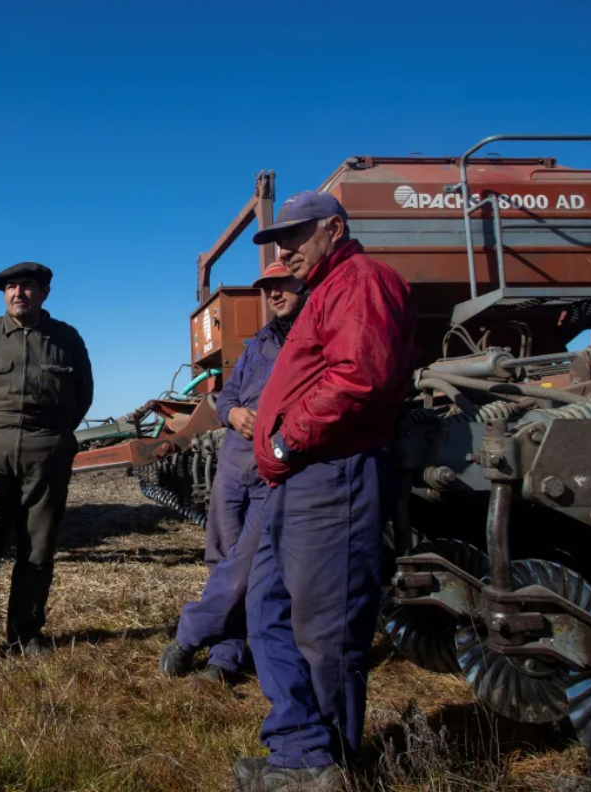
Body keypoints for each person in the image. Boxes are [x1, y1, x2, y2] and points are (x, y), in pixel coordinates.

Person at [233, 192, 416, 792]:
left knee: (325, 627)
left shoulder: (362, 280)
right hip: (300, 477)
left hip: (331, 470)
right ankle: (300, 747)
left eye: (295, 237)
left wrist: (285, 441)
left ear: (334, 229)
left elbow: (358, 376)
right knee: (266, 608)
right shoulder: (328, 290)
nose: (282, 251)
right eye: (277, 241)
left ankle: (325, 764)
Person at [158, 264, 307, 684]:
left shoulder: (311, 340)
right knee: (221, 559)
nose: (275, 294)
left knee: (245, 566)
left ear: (303, 284)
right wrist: (234, 411)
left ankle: (189, 637)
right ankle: (225, 656)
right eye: (268, 288)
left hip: (274, 468)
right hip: (233, 463)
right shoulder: (259, 343)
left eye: (282, 285)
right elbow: (226, 398)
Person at [0, 261, 94, 658]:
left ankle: (25, 636)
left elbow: (82, 396)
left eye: (27, 286)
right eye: (11, 287)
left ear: (44, 293)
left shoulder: (66, 339)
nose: (17, 293)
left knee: (37, 551)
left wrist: (48, 435)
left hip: (45, 454)